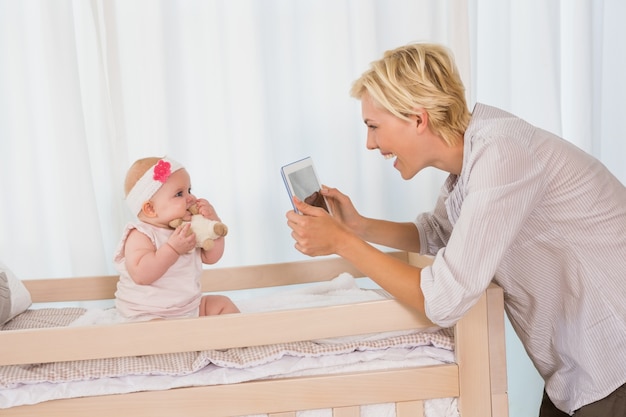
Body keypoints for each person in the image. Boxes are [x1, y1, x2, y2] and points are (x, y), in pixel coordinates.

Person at [286, 43, 626, 417]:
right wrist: (359, 227)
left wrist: (344, 243)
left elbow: (445, 299)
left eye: (373, 126)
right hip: (579, 372)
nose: (370, 143)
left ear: (418, 119)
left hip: (612, 360)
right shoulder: (472, 164)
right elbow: (438, 235)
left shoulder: (502, 155)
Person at [114, 156, 239, 320]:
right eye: (179, 194)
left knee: (222, 304)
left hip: (189, 308)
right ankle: (185, 340)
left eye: (190, 190)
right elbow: (141, 275)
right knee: (159, 335)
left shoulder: (189, 227)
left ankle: (237, 337)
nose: (191, 198)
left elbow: (212, 257)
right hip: (147, 314)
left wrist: (213, 224)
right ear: (150, 209)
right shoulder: (140, 234)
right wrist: (172, 249)